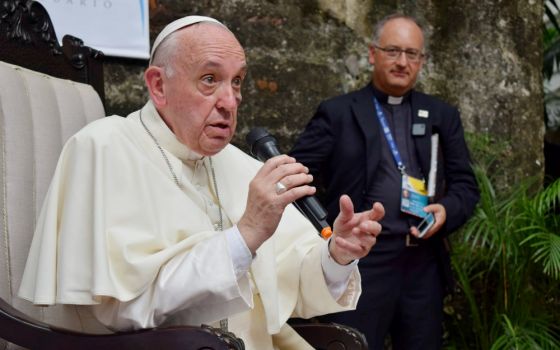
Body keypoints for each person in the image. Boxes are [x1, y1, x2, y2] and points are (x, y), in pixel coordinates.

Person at [17, 15, 385, 349]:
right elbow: (122, 309)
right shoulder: (104, 146)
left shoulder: (238, 164)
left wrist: (337, 255)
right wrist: (247, 233)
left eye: (237, 81)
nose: (230, 101)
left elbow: (295, 283)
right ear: (158, 85)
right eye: (210, 80)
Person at [290, 13, 480, 349]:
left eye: (412, 54)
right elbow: (294, 182)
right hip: (360, 264)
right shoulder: (338, 113)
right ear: (372, 53)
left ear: (422, 61)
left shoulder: (441, 116)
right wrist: (327, 231)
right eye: (393, 51)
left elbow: (466, 186)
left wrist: (447, 211)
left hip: (421, 264)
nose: (402, 62)